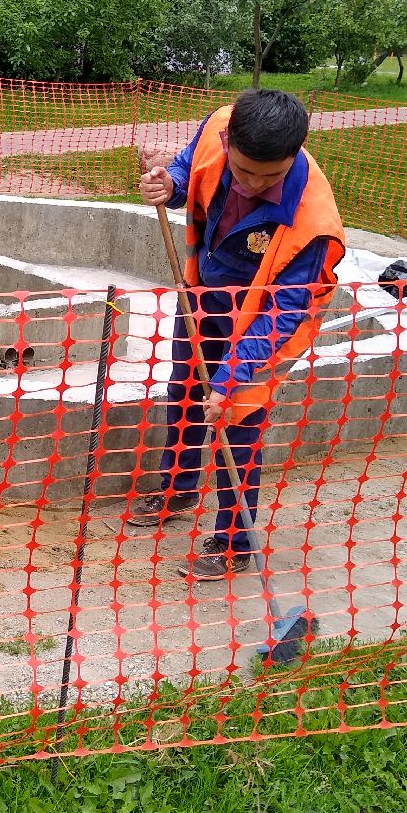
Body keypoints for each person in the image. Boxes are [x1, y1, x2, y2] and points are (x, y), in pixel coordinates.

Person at [130, 89, 346, 580]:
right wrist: (171, 185)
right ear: (229, 140)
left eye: (269, 175)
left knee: (238, 424)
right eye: (243, 169)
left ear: (296, 152)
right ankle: (178, 487)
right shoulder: (218, 128)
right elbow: (190, 169)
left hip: (261, 326)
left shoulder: (312, 221)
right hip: (202, 294)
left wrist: (230, 379)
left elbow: (283, 312)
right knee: (183, 393)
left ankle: (233, 542)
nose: (252, 183)